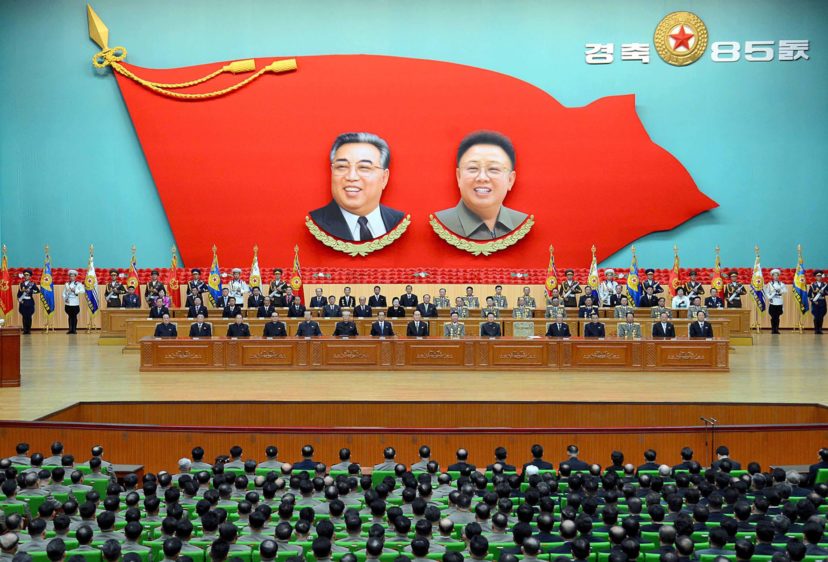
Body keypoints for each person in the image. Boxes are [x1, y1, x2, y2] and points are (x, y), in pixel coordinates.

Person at [309, 132, 405, 241]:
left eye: (364, 167)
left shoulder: (400, 222)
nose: (351, 177)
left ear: (384, 178)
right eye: (342, 166)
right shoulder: (314, 224)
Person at [434, 130, 527, 240]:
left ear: (510, 180)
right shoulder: (441, 224)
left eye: (493, 169)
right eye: (473, 168)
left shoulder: (523, 224)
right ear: (459, 177)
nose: (482, 178)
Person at [16, 269, 39, 334]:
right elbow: (19, 293)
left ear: (30, 276)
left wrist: (30, 291)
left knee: (29, 316)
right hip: (23, 302)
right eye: (25, 275)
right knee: (24, 316)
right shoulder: (21, 284)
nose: (26, 276)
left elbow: (37, 291)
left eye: (27, 275)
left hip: (29, 302)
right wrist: (19, 299)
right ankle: (25, 330)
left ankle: (28, 330)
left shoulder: (32, 284)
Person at [764, 268, 787, 334]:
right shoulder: (769, 284)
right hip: (773, 302)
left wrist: (780, 291)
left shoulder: (781, 284)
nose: (776, 277)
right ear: (772, 276)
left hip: (779, 302)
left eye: (777, 275)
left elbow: (785, 291)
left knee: (777, 317)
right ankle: (773, 329)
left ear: (778, 276)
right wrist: (770, 296)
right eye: (774, 275)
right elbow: (767, 292)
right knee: (773, 317)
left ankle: (776, 329)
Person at [62, 270, 83, 334]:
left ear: (75, 277)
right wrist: (65, 298)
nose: (71, 277)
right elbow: (63, 293)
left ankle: (74, 330)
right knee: (70, 316)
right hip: (68, 303)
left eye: (73, 276)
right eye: (70, 276)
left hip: (75, 303)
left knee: (74, 316)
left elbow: (82, 291)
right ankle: (70, 329)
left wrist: (75, 290)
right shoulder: (67, 284)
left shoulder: (78, 284)